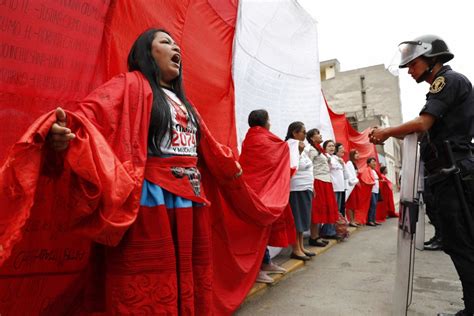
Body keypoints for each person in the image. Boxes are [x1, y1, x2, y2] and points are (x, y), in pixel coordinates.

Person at [1, 28, 246, 315]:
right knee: (149, 290)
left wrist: (231, 167)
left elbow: (209, 146)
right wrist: (61, 130)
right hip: (150, 202)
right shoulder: (130, 85)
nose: (175, 48)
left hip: (190, 202)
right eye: (166, 42)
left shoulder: (186, 103)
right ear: (147, 52)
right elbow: (91, 113)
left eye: (177, 44)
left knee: (186, 282)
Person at [370, 34, 474, 316]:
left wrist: (386, 131)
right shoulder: (443, 85)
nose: (409, 70)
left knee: (462, 244)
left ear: (432, 59)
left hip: (455, 172)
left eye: (413, 64)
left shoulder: (448, 81)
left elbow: (423, 123)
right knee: (459, 243)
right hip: (447, 172)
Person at [241, 109, 288, 283]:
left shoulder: (250, 138)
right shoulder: (264, 139)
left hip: (254, 190)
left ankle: (266, 263)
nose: (270, 123)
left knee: (263, 229)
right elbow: (280, 151)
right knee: (257, 232)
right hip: (260, 192)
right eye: (269, 120)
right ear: (265, 122)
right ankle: (257, 270)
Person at [285, 122, 316, 261]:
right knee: (297, 219)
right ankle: (295, 249)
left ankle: (301, 246)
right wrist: (298, 151)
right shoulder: (290, 145)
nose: (305, 134)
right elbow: (292, 165)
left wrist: (312, 186)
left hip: (305, 186)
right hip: (296, 187)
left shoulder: (301, 146)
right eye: (303, 131)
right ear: (294, 133)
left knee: (303, 218)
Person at [306, 128, 335, 247]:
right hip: (318, 181)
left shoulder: (320, 150)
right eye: (317, 134)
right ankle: (313, 237)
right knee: (317, 209)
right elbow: (309, 167)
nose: (320, 135)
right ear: (312, 138)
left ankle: (317, 235)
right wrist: (311, 184)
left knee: (322, 209)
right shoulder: (312, 150)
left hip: (325, 180)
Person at [345, 149, 361, 227]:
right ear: (352, 155)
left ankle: (353, 220)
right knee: (351, 204)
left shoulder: (354, 163)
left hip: (355, 186)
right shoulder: (349, 163)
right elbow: (350, 176)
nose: (358, 155)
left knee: (354, 204)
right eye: (356, 153)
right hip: (351, 186)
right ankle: (351, 220)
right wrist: (356, 180)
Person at [366, 157, 380, 226]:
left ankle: (374, 219)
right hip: (371, 190)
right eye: (372, 162)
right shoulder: (368, 170)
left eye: (375, 161)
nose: (374, 163)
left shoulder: (374, 171)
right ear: (368, 163)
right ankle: (370, 220)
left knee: (375, 205)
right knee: (373, 204)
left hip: (376, 190)